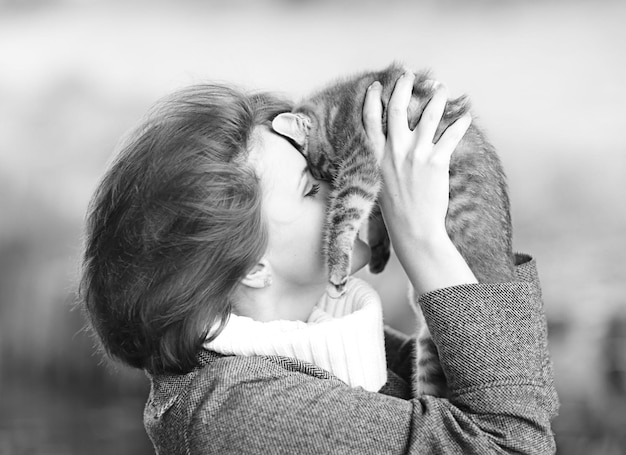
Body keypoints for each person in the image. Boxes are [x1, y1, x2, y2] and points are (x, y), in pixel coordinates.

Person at [79, 72, 559, 454]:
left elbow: (497, 407)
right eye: (311, 188)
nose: (338, 182)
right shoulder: (239, 412)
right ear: (250, 265)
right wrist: (425, 241)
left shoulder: (336, 344)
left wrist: (464, 230)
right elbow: (511, 442)